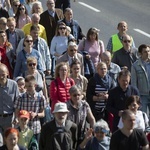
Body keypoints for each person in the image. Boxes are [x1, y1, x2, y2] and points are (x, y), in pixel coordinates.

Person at [14, 75, 46, 142]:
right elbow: (17, 112)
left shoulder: (41, 97)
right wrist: (17, 119)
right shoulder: (20, 97)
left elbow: (43, 114)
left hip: (35, 128)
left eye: (30, 86)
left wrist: (36, 114)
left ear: (35, 85)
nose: (28, 88)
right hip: (23, 128)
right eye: (26, 86)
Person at [0, 63, 19, 146]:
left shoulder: (13, 85)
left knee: (9, 143)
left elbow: (17, 102)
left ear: (7, 73)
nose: (1, 77)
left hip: (9, 118)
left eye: (3, 74)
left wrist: (17, 117)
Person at [131, 44, 150, 115]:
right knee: (143, 115)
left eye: (148, 51)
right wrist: (136, 97)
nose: (147, 53)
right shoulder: (135, 66)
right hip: (142, 96)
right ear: (140, 54)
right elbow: (133, 83)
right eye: (145, 52)